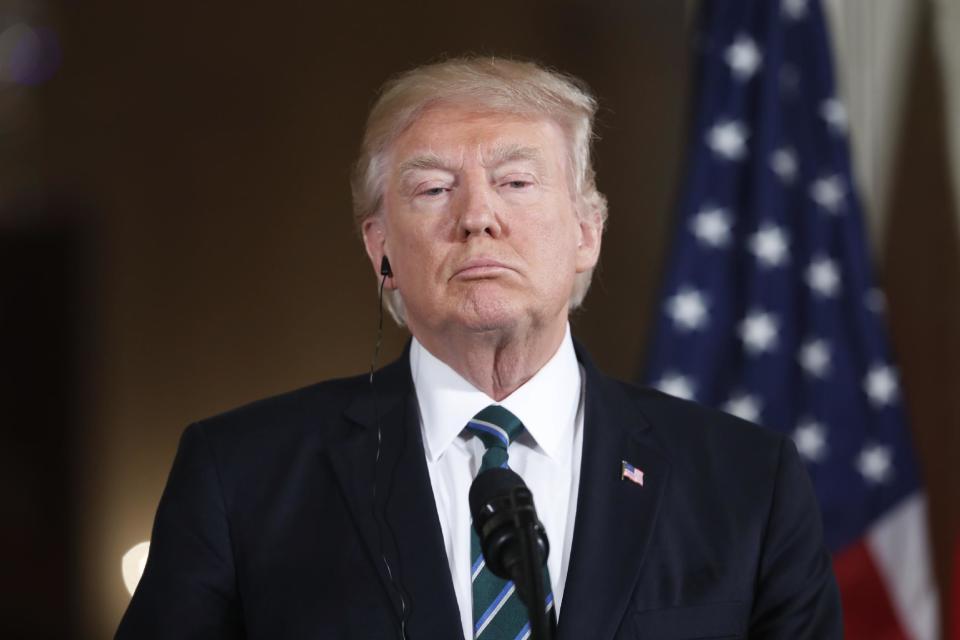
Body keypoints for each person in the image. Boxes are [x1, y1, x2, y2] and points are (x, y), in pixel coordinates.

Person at [117, 57, 842, 639]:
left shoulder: (750, 484)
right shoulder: (239, 476)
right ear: (381, 251)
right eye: (433, 189)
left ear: (586, 232)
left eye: (515, 182)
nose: (477, 218)